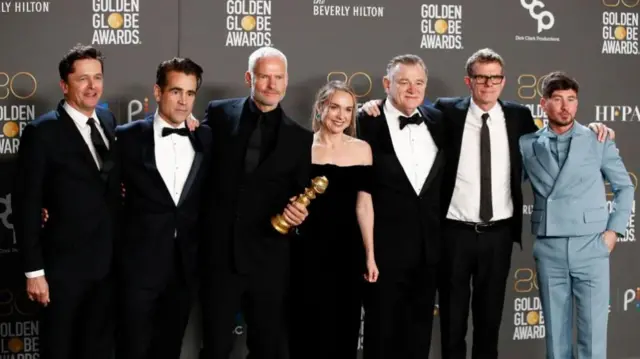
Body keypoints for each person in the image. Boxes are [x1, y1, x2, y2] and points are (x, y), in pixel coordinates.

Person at [360, 48, 613, 359]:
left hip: (499, 235)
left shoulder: (519, 116)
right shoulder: (444, 113)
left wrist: (594, 129)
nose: (488, 84)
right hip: (453, 233)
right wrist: (372, 106)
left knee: (489, 322)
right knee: (452, 323)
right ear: (469, 80)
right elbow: (403, 110)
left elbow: (556, 135)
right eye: (481, 77)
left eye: (494, 77)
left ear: (503, 81)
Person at [199, 46, 312, 359]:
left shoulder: (300, 138)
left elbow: (301, 195)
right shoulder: (219, 114)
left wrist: (299, 214)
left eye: (278, 77)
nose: (272, 84)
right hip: (220, 256)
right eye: (265, 76)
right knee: (215, 346)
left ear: (286, 81)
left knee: (266, 347)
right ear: (250, 77)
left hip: (269, 259)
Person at [12, 44, 120, 359]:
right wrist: (35, 272)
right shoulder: (41, 132)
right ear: (64, 85)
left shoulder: (108, 119)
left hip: (106, 265)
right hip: (62, 269)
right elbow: (26, 204)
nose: (92, 86)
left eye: (97, 78)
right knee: (59, 349)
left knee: (97, 349)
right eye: (83, 79)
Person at [520, 71, 633, 359]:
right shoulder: (526, 144)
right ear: (543, 104)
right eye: (557, 99)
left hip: (591, 244)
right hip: (550, 246)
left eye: (571, 100)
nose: (565, 106)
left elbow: (625, 187)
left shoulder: (597, 138)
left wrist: (613, 233)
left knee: (593, 336)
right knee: (556, 339)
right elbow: (504, 182)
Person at [114, 58, 211, 359]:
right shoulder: (127, 136)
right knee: (132, 348)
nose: (184, 101)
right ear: (158, 92)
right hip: (137, 265)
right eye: (176, 91)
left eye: (191, 93)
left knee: (169, 348)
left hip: (184, 266)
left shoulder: (205, 137)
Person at [357, 54, 445, 359]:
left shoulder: (439, 120)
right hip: (382, 253)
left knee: (418, 336)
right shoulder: (365, 122)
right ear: (386, 84)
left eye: (419, 82)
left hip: (428, 252)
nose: (412, 89)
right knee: (381, 336)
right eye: (403, 81)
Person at [289, 80, 377, 359]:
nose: (341, 116)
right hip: (306, 250)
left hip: (347, 251)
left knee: (345, 326)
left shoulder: (362, 149)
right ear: (320, 109)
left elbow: (364, 206)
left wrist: (370, 255)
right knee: (306, 326)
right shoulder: (301, 147)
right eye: (335, 107)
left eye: (348, 110)